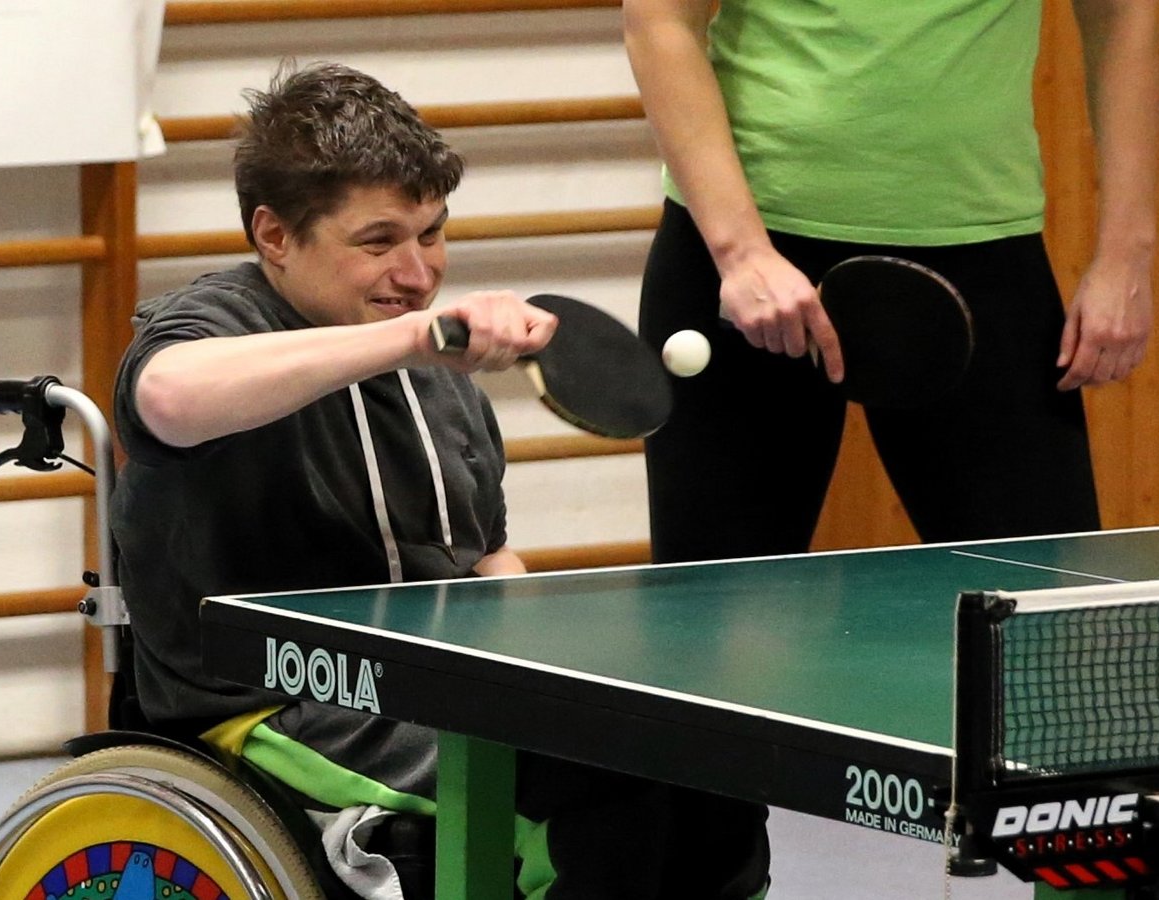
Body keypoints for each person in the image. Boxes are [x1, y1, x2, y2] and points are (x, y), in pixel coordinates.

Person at [110, 62, 768, 899]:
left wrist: (591, 668)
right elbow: (167, 397)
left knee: (708, 783)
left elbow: (485, 559)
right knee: (598, 800)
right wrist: (414, 339)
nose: (419, 272)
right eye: (379, 242)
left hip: (436, 684)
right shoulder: (222, 324)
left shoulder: (438, 368)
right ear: (274, 236)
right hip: (275, 700)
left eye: (432, 234)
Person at [624, 0, 1159, 560]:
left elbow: (1122, 16)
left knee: (1038, 620)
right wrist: (741, 254)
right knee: (721, 628)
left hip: (976, 257)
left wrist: (1126, 257)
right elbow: (658, 20)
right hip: (748, 264)